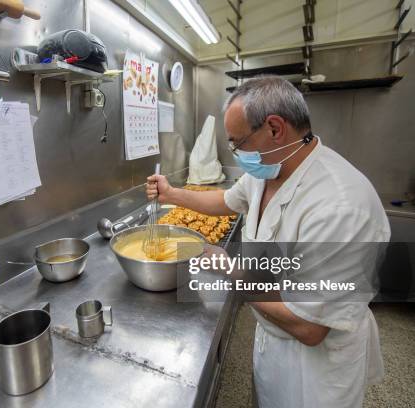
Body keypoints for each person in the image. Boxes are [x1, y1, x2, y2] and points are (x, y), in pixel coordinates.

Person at [146, 76, 390, 407]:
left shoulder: (340, 207)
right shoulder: (269, 171)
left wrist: (230, 270)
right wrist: (171, 194)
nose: (235, 152)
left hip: (316, 370)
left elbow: (309, 328)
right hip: (272, 336)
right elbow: (225, 201)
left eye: (237, 143)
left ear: (275, 128)